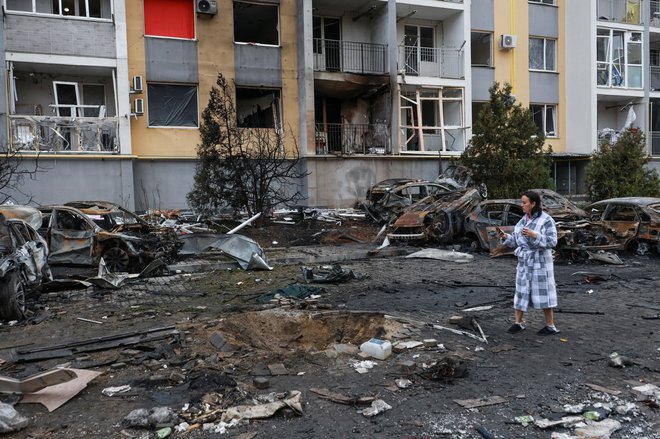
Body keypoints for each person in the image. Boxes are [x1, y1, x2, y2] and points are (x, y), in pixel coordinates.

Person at [497, 190, 559, 336]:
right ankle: (518, 323)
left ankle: (550, 326)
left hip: (540, 262)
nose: (522, 205)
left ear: (533, 203)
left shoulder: (546, 220)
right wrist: (505, 236)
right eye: (522, 202)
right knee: (521, 291)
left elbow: (552, 241)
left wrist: (535, 235)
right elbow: (517, 241)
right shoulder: (523, 220)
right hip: (525, 262)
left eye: (524, 203)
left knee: (544, 291)